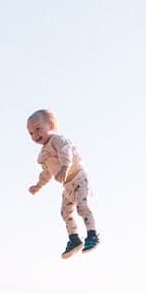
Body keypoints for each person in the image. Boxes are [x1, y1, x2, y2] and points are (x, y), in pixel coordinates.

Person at [26, 109, 100, 259]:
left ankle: (92, 235)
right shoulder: (43, 155)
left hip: (79, 178)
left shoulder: (58, 140)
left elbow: (66, 153)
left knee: (82, 206)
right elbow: (47, 173)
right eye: (31, 133)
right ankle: (74, 240)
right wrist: (38, 185)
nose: (35, 135)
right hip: (67, 185)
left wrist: (65, 167)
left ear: (51, 125)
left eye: (38, 129)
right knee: (65, 212)